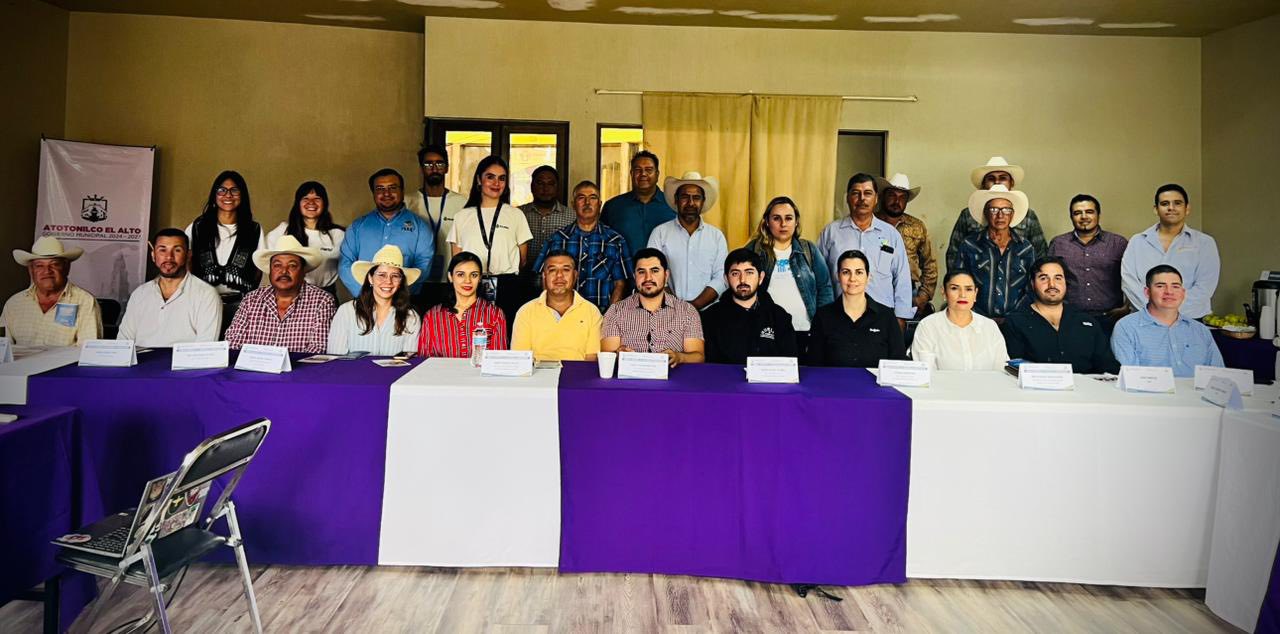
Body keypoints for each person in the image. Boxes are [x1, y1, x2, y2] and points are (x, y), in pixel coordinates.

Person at [446, 156, 534, 325]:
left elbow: (522, 260)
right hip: (471, 285)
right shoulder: (462, 216)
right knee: (472, 331)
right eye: (490, 177)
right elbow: (457, 260)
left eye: (502, 178)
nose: (496, 183)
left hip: (507, 286)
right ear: (479, 180)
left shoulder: (515, 215)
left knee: (505, 333)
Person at [818, 173, 914, 324]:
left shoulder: (891, 235)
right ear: (848, 198)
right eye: (856, 193)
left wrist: (900, 318)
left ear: (876, 199)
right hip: (839, 317)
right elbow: (821, 279)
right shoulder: (831, 233)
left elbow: (902, 280)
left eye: (868, 193)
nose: (862, 199)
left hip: (882, 318)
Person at [1000, 256, 1120, 374]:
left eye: (1058, 278)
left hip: (1084, 386)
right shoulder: (1016, 322)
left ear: (1065, 283)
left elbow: (1110, 369)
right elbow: (1015, 370)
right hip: (1037, 386)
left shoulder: (1087, 323)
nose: (1052, 284)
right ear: (1032, 283)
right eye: (1043, 278)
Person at [744, 196, 832, 356]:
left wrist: (821, 326)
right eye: (776, 218)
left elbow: (824, 288)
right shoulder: (754, 250)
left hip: (805, 331)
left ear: (796, 221)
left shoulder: (808, 250)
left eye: (789, 218)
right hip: (766, 333)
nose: (783, 224)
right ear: (767, 221)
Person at [1120, 184, 1220, 319]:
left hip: (1190, 319)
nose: (1171, 208)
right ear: (1156, 209)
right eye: (1165, 203)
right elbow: (1128, 282)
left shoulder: (1204, 243)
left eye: (1177, 203)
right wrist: (1153, 310)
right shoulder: (1137, 242)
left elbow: (1205, 286)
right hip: (1144, 318)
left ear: (1187, 208)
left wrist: (1170, 311)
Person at [532, 180, 632, 311]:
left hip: (601, 314)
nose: (587, 203)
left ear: (600, 204)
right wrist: (551, 312)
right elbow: (543, 277)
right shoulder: (557, 239)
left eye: (593, 198)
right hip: (563, 314)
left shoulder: (615, 241)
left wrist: (610, 317)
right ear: (573, 204)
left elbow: (620, 284)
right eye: (581, 198)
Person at [225, 235, 336, 353]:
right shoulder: (251, 299)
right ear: (270, 270)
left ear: (303, 271)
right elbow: (232, 344)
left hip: (299, 366)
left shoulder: (322, 301)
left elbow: (319, 349)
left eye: (292, 266)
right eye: (277, 265)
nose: (284, 271)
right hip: (252, 365)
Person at [338, 168, 435, 297]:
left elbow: (423, 266)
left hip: (405, 302)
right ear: (373, 193)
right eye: (380, 189)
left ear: (402, 191)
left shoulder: (421, 227)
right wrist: (367, 295)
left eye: (392, 188)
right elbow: (345, 265)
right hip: (364, 300)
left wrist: (397, 296)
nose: (386, 193)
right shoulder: (357, 227)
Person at [1112, 264, 1223, 376]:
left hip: (1196, 388)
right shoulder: (1126, 327)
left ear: (1183, 293)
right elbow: (1131, 377)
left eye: (1175, 286)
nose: (1169, 292)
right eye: (1160, 286)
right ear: (1147, 292)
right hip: (1147, 388)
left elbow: (1218, 376)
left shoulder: (1200, 330)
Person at [601, 248, 705, 367]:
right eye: (641, 272)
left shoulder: (687, 311)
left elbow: (698, 356)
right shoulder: (616, 311)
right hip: (629, 377)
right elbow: (607, 356)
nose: (648, 278)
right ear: (634, 276)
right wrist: (618, 355)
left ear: (666, 275)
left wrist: (679, 357)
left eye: (655, 271)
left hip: (674, 376)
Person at [117, 228, 221, 346]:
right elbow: (123, 343)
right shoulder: (139, 294)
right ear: (153, 255)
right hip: (141, 358)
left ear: (188, 255)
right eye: (162, 250)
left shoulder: (206, 295)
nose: (169, 257)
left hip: (183, 358)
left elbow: (205, 348)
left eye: (177, 250)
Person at [944, 156, 1048, 271]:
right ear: (983, 184)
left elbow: (1041, 255)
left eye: (1003, 178)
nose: (997, 182)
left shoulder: (1028, 216)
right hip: (977, 279)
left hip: (1017, 278)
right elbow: (954, 253)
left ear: (1011, 183)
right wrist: (959, 280)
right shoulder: (968, 215)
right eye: (991, 178)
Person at [806, 250, 906, 368]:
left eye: (859, 272)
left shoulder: (886, 316)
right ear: (838, 276)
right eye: (846, 272)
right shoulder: (823, 316)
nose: (852, 278)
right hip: (834, 380)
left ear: (868, 277)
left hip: (875, 381)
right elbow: (814, 365)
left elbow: (898, 363)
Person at [646, 171, 728, 309]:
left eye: (696, 197)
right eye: (685, 197)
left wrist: (695, 305)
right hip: (667, 312)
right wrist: (676, 308)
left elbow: (721, 277)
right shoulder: (660, 233)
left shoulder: (716, 236)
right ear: (676, 200)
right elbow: (652, 273)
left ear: (703, 201)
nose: (690, 203)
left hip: (709, 314)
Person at [700, 249, 798, 364]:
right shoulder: (710, 318)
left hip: (769, 376)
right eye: (735, 273)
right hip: (725, 376)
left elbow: (790, 363)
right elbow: (710, 365)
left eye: (749, 272)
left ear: (761, 278)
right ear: (726, 279)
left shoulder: (779, 317)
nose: (742, 280)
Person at [953, 185, 1036, 319]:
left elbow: (1032, 288)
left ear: (1012, 214)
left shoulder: (1025, 248)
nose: (1000, 215)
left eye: (1006, 210)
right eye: (994, 210)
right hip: (976, 320)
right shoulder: (970, 245)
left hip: (1016, 321)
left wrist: (1016, 316)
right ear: (986, 213)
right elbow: (958, 283)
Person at [2, 237, 101, 346]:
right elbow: (3, 348)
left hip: (67, 359)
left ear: (67, 268)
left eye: (54, 264)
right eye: (39, 266)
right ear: (31, 270)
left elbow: (88, 351)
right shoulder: (14, 304)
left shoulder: (85, 302)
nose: (47, 271)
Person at [1047, 194, 1129, 324]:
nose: (1084, 217)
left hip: (1110, 318)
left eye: (1089, 212)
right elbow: (1047, 277)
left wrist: (1127, 306)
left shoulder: (1118, 243)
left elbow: (1133, 277)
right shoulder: (1058, 244)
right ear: (1071, 217)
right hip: (1069, 318)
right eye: (1077, 213)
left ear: (1098, 215)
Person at [328, 245, 421, 356]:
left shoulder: (411, 317)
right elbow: (334, 358)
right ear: (370, 278)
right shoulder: (346, 312)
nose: (388, 281)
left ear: (401, 282)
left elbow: (410, 362)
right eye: (382, 275)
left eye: (395, 276)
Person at [510, 251, 603, 361]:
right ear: (544, 276)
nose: (559, 275)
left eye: (566, 270)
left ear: (575, 275)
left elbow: (591, 359)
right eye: (552, 270)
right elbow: (520, 359)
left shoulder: (591, 312)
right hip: (537, 372)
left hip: (578, 371)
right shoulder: (526, 312)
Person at [185, 170, 265, 297]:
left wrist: (250, 298)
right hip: (202, 300)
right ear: (214, 195)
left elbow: (259, 267)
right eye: (222, 190)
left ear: (242, 195)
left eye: (234, 190)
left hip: (240, 302)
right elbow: (186, 260)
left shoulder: (254, 230)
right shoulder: (197, 227)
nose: (228, 195)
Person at [908, 270, 1008, 371]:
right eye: (954, 288)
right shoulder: (928, 326)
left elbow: (1002, 370)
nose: (962, 295)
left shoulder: (989, 327)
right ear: (944, 292)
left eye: (968, 289)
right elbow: (926, 373)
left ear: (975, 294)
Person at [417, 252, 509, 358]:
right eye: (460, 274)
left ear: (480, 278)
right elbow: (424, 361)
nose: (467, 280)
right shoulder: (432, 316)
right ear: (450, 276)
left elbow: (498, 361)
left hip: (480, 370)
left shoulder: (495, 314)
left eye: (474, 275)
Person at [875, 173, 938, 318]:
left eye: (902, 197)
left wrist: (923, 297)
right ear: (883, 196)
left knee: (903, 329)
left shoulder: (917, 226)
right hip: (875, 289)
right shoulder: (872, 222)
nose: (897, 201)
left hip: (908, 291)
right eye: (892, 195)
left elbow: (930, 264)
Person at [265, 181, 345, 296]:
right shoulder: (283, 230)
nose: (311, 203)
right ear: (298, 203)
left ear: (325, 203)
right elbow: (266, 259)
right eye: (305, 198)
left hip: (326, 293)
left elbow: (348, 263)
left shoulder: (338, 235)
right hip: (290, 293)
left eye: (317, 198)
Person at [405, 144, 467, 284]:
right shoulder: (408, 202)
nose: (434, 168)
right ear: (421, 168)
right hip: (415, 278)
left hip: (450, 279)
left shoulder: (462, 203)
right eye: (428, 164)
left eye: (439, 164)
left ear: (447, 168)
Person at [601, 150, 676, 259]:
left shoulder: (673, 205)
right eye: (638, 170)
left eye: (649, 170)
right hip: (623, 269)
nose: (643, 174)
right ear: (631, 174)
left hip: (666, 269)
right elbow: (602, 242)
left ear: (657, 174)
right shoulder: (613, 207)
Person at [519, 165, 575, 265]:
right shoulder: (519, 214)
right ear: (532, 187)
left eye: (551, 184)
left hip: (558, 274)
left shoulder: (572, 217)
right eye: (540, 183)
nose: (545, 188)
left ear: (558, 188)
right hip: (523, 273)